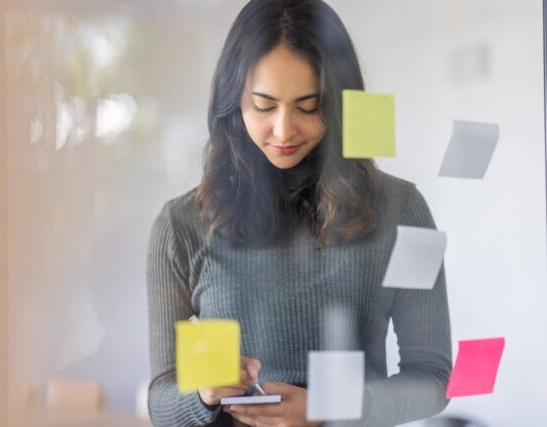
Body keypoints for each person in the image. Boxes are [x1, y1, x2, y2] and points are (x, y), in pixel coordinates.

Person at [146, 0, 452, 426]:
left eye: (309, 106)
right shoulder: (180, 225)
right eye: (265, 106)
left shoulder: (405, 211)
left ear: (340, 103)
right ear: (233, 102)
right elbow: (161, 400)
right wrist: (204, 394)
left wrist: (331, 409)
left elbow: (435, 378)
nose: (285, 130)